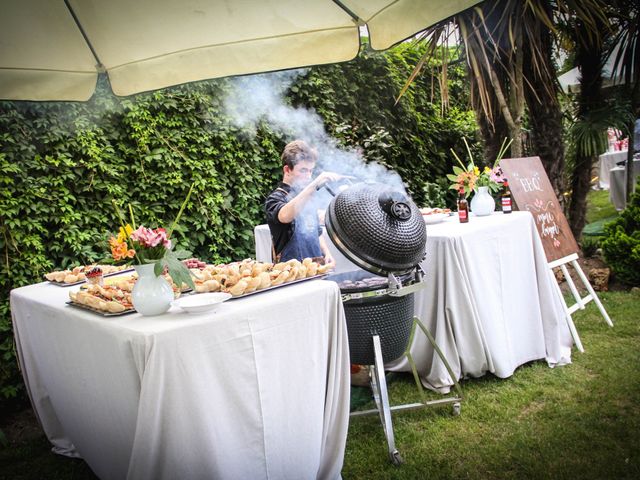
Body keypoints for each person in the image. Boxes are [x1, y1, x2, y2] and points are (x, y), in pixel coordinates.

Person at [264, 140, 343, 265]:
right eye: (303, 170)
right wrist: (314, 184)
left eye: (311, 171)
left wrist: (327, 253)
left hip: (317, 267)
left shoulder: (308, 197)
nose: (308, 176)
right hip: (291, 273)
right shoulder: (275, 198)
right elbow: (285, 216)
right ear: (287, 170)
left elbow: (316, 231)